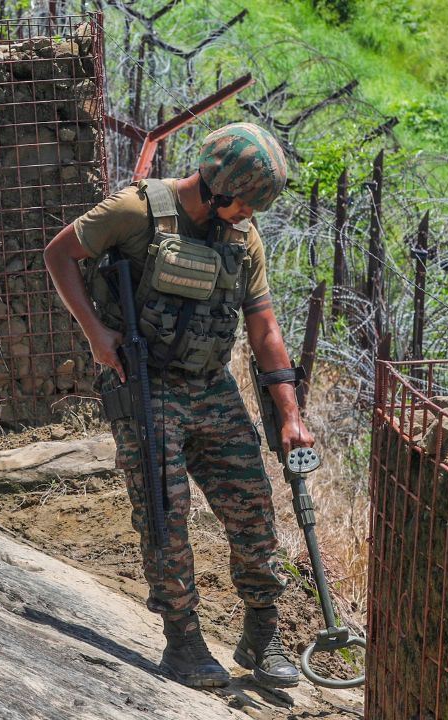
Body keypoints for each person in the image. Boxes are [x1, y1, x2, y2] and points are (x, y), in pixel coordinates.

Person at [43, 123, 314, 690]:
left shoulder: (242, 237)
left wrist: (290, 414)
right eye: (242, 204)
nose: (247, 216)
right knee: (166, 518)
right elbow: (60, 253)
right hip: (145, 383)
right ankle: (184, 641)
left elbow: (263, 328)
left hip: (212, 386)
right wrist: (95, 334)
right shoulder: (136, 210)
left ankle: (262, 633)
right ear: (217, 189)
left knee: (253, 510)